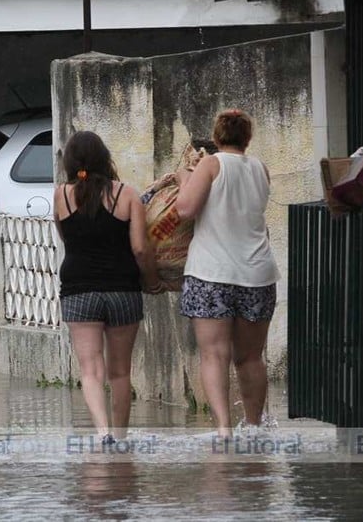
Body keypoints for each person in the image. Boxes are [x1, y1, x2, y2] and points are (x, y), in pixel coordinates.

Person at [175, 109, 280, 438]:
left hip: (212, 273)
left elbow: (185, 209)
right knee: (251, 358)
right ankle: (254, 425)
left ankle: (223, 429)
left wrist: (184, 180)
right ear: (247, 139)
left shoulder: (210, 164)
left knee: (214, 354)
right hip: (258, 274)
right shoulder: (260, 169)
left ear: (217, 137)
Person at [54, 131, 161, 445]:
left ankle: (102, 434)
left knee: (90, 370)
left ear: (71, 163)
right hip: (122, 290)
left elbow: (67, 239)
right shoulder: (127, 194)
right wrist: (153, 282)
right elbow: (141, 249)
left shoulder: (61, 195)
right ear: (106, 158)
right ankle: (120, 435)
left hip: (78, 290)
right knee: (120, 372)